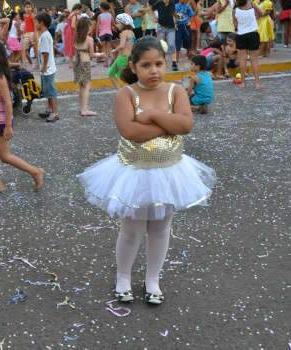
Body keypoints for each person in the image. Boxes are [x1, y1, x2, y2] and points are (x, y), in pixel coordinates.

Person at [77, 37, 215, 306]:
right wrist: (169, 124)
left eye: (159, 64)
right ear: (134, 66)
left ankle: (153, 280)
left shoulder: (175, 91)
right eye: (146, 65)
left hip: (169, 171)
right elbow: (131, 132)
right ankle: (123, 277)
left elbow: (186, 125)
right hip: (135, 172)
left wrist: (152, 115)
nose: (154, 70)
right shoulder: (126, 94)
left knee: (162, 228)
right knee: (131, 229)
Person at [0, 41, 45, 195]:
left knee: (5, 156)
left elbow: (8, 102)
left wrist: (8, 125)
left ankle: (35, 172)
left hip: (1, 121)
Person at [233, 0, 263, 89]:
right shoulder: (252, 5)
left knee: (242, 60)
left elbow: (235, 24)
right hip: (253, 34)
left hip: (241, 35)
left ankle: (243, 83)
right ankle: (257, 83)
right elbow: (261, 14)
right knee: (254, 60)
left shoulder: (235, 10)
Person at [37, 12, 59, 122]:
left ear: (41, 23)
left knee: (51, 91)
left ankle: (55, 113)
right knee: (47, 91)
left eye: (37, 22)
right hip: (47, 68)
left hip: (48, 68)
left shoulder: (45, 36)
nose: (35, 24)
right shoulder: (44, 35)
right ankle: (49, 109)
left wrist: (44, 66)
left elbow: (46, 53)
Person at [73, 18, 96, 117]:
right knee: (86, 86)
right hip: (85, 62)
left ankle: (82, 108)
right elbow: (92, 55)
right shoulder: (90, 39)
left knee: (81, 86)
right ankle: (85, 109)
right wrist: (101, 54)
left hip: (77, 62)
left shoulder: (76, 37)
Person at [108, 14, 136, 89]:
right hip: (129, 57)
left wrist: (114, 50)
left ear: (123, 23)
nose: (117, 25)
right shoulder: (131, 33)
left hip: (122, 57)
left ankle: (121, 91)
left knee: (112, 74)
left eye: (118, 23)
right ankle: (126, 91)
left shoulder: (123, 33)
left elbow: (122, 46)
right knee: (123, 77)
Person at [153, 0, 177, 70]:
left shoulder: (172, 3)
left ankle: (174, 63)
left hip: (171, 27)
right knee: (161, 45)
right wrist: (154, 17)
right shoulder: (159, 3)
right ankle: (162, 62)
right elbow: (151, 9)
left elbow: (173, 13)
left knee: (172, 44)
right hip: (161, 27)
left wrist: (176, 20)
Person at [175, 0, 195, 68]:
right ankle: (176, 59)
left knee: (188, 40)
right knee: (177, 41)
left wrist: (190, 22)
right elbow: (173, 15)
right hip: (178, 26)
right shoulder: (176, 6)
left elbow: (192, 15)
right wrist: (175, 24)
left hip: (186, 26)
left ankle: (188, 55)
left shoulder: (187, 6)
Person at [22, 1, 40, 69]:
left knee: (36, 50)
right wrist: (23, 34)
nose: (28, 8)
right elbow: (26, 26)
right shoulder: (24, 16)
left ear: (31, 8)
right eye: (26, 7)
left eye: (29, 7)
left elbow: (35, 26)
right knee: (23, 49)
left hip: (33, 33)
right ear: (24, 8)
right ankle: (24, 65)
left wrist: (35, 35)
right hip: (27, 34)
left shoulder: (33, 15)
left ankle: (38, 64)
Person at [97, 3, 115, 67]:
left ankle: (106, 62)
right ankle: (112, 60)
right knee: (109, 48)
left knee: (104, 48)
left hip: (102, 33)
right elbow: (113, 23)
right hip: (109, 33)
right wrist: (114, 28)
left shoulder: (100, 16)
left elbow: (98, 25)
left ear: (102, 8)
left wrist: (97, 34)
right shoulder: (110, 15)